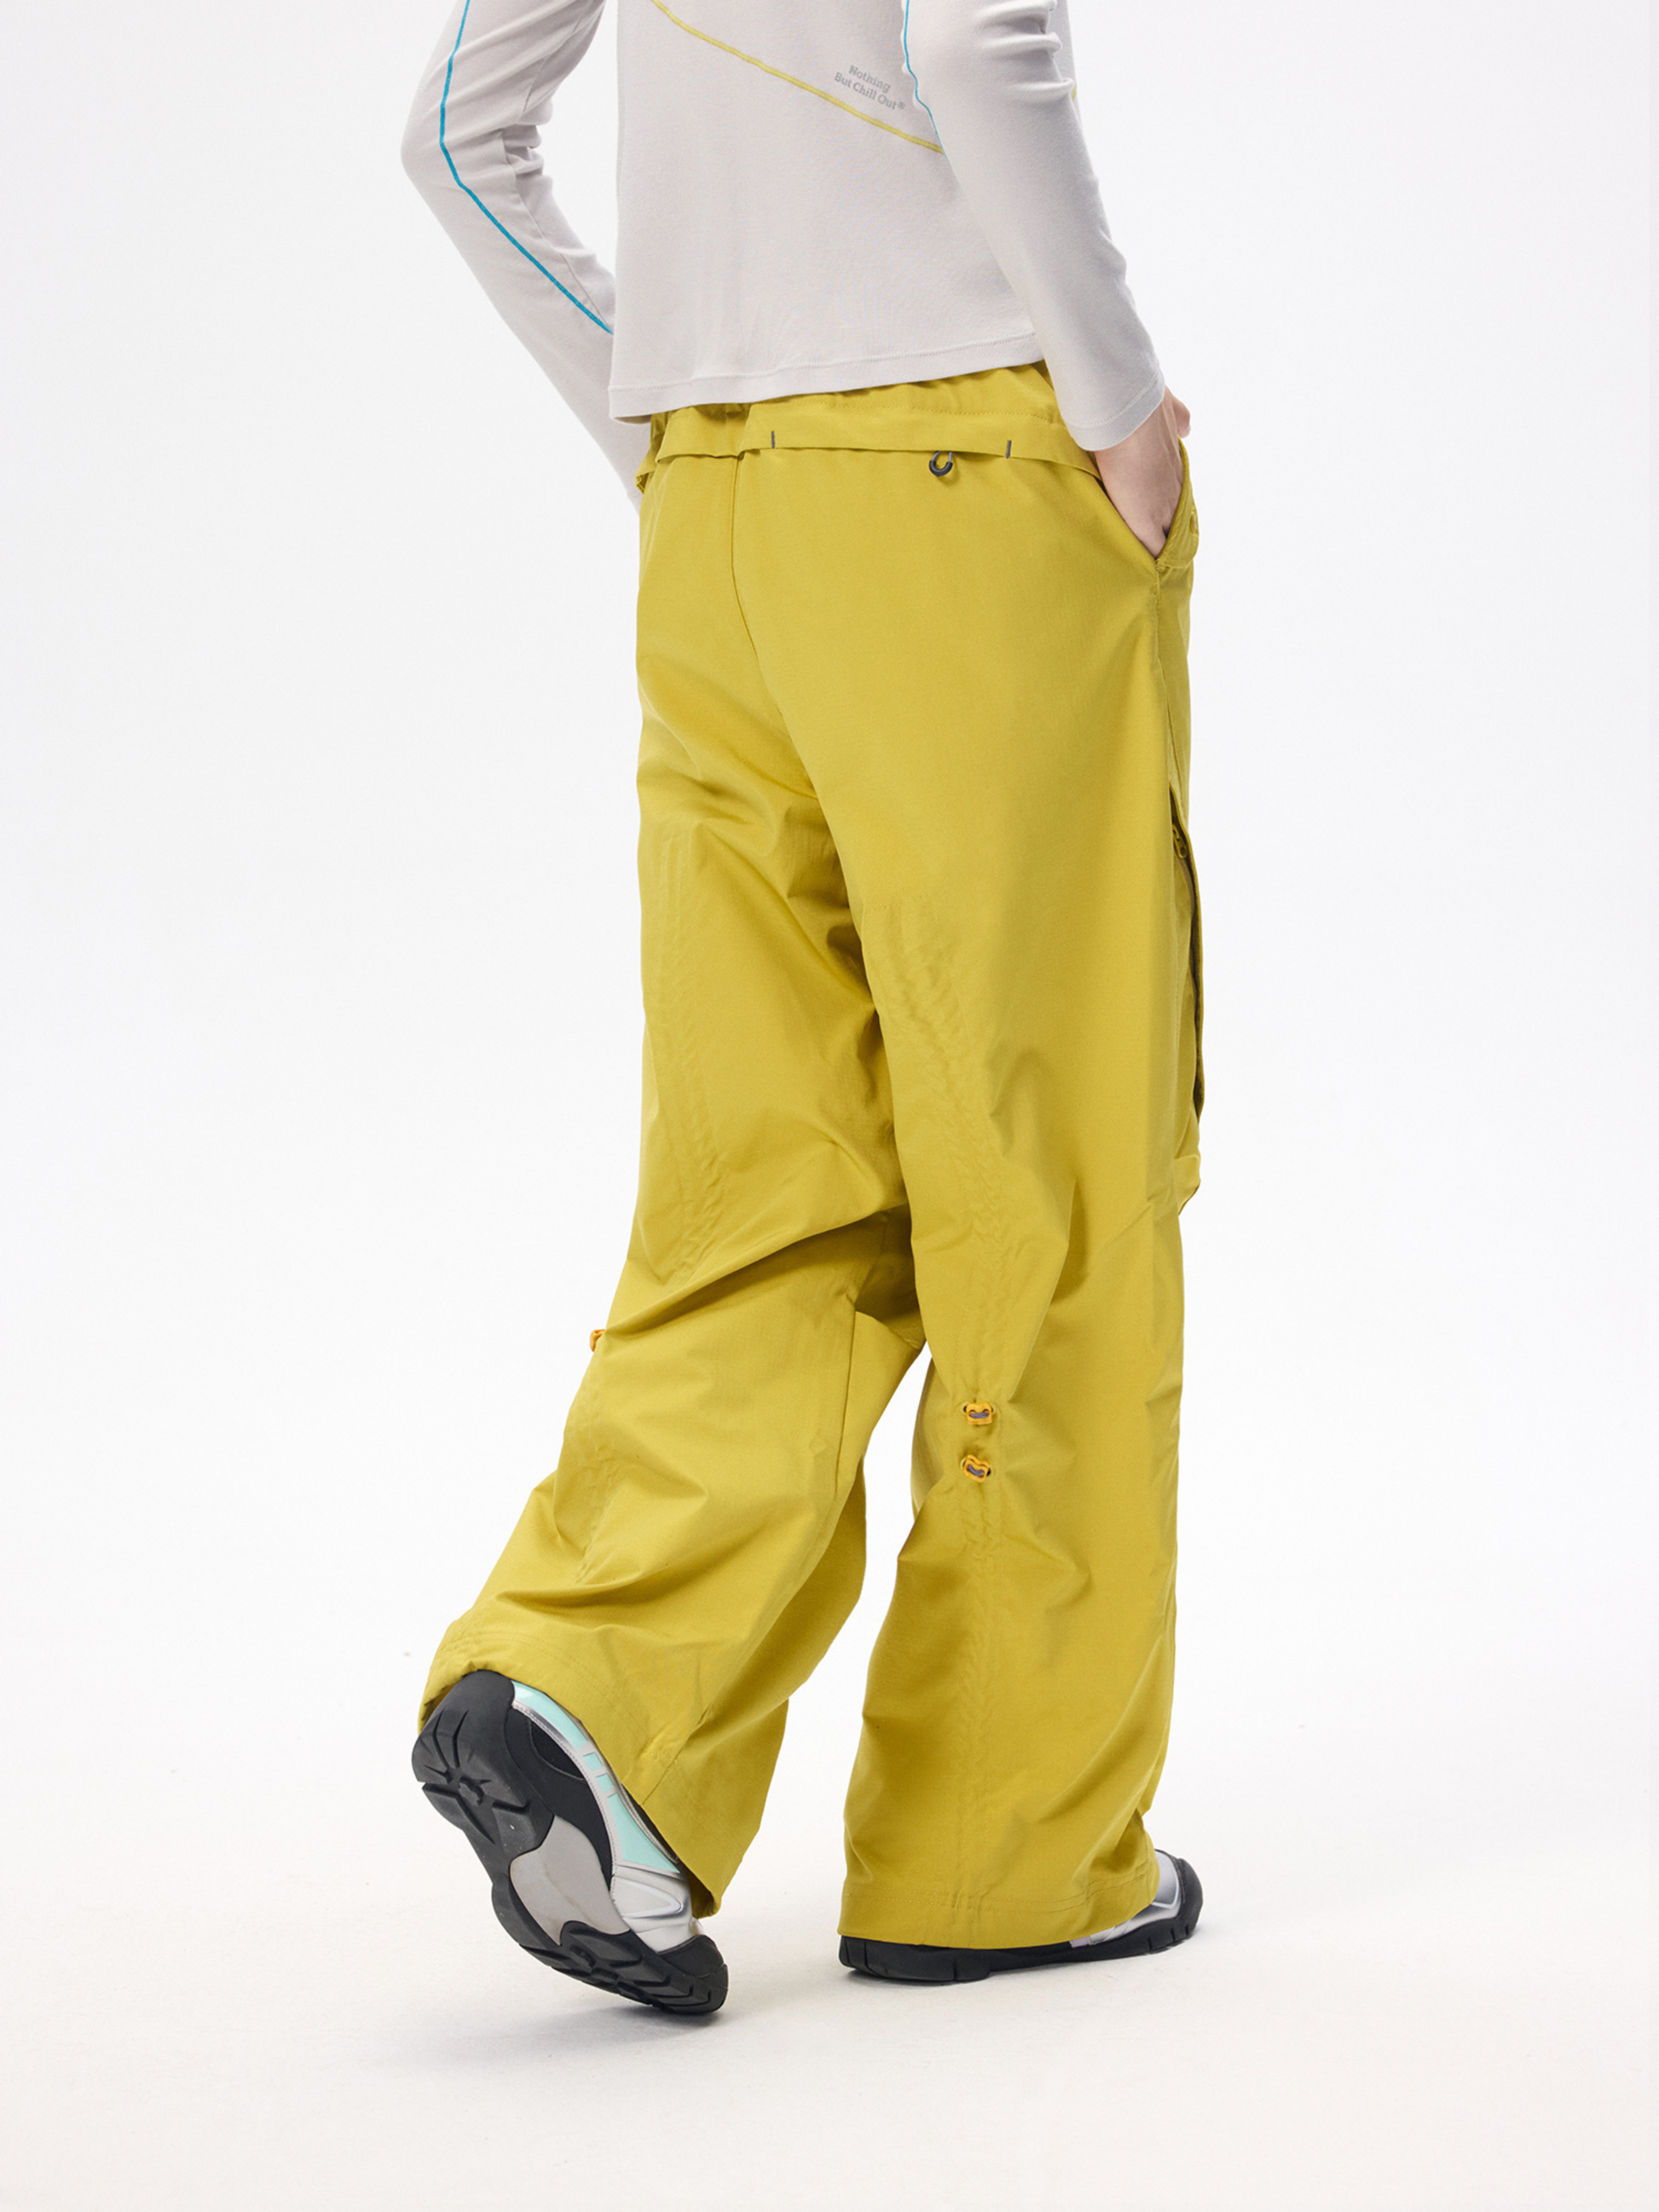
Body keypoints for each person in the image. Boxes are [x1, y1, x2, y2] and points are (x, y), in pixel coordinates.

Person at [402, 0, 1204, 2019]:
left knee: (767, 1175)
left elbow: (454, 135)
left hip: (717, 517)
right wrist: (1115, 397)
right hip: (965, 480)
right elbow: (977, 43)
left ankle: (586, 1691)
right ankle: (1003, 1855)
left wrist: (657, 423)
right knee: (1045, 1183)